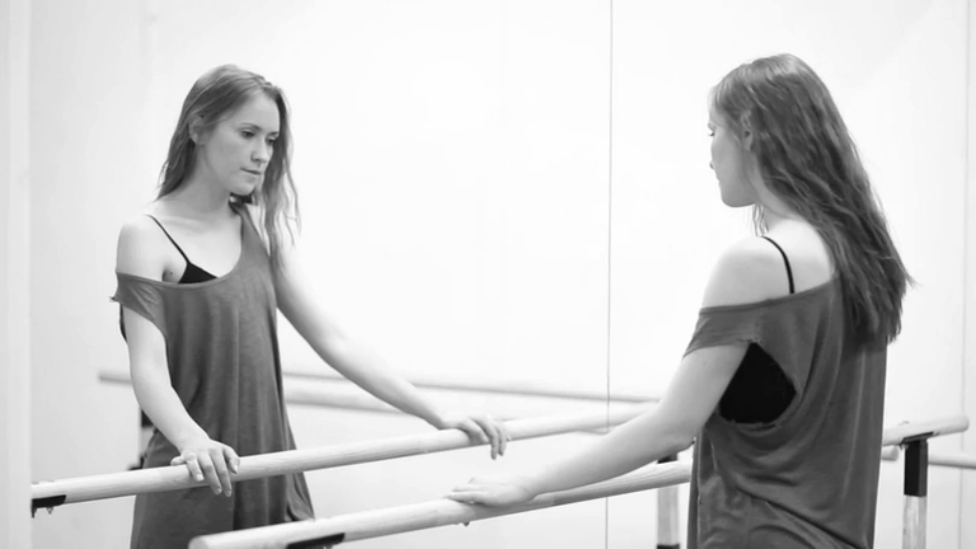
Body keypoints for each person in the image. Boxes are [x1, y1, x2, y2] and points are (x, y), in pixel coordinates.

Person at [448, 53, 911, 549]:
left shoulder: (758, 262)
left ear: (749, 132)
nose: (709, 155)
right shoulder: (860, 253)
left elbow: (672, 427)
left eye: (713, 131)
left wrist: (529, 482)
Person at [114, 64, 509, 549]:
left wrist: (436, 412)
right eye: (247, 134)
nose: (262, 154)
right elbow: (148, 368)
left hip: (271, 469)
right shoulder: (145, 235)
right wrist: (191, 439)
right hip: (194, 471)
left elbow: (333, 340)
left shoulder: (262, 227)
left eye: (272, 139)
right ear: (198, 127)